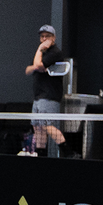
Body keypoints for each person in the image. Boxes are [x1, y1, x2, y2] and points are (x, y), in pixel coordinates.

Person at [23, 23, 71, 157]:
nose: (44, 39)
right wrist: (36, 66)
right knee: (38, 127)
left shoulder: (55, 52)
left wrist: (39, 51)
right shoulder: (43, 54)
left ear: (54, 38)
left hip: (49, 96)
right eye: (42, 37)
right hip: (38, 96)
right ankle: (41, 155)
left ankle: (69, 153)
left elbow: (37, 65)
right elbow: (29, 69)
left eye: (47, 36)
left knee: (47, 126)